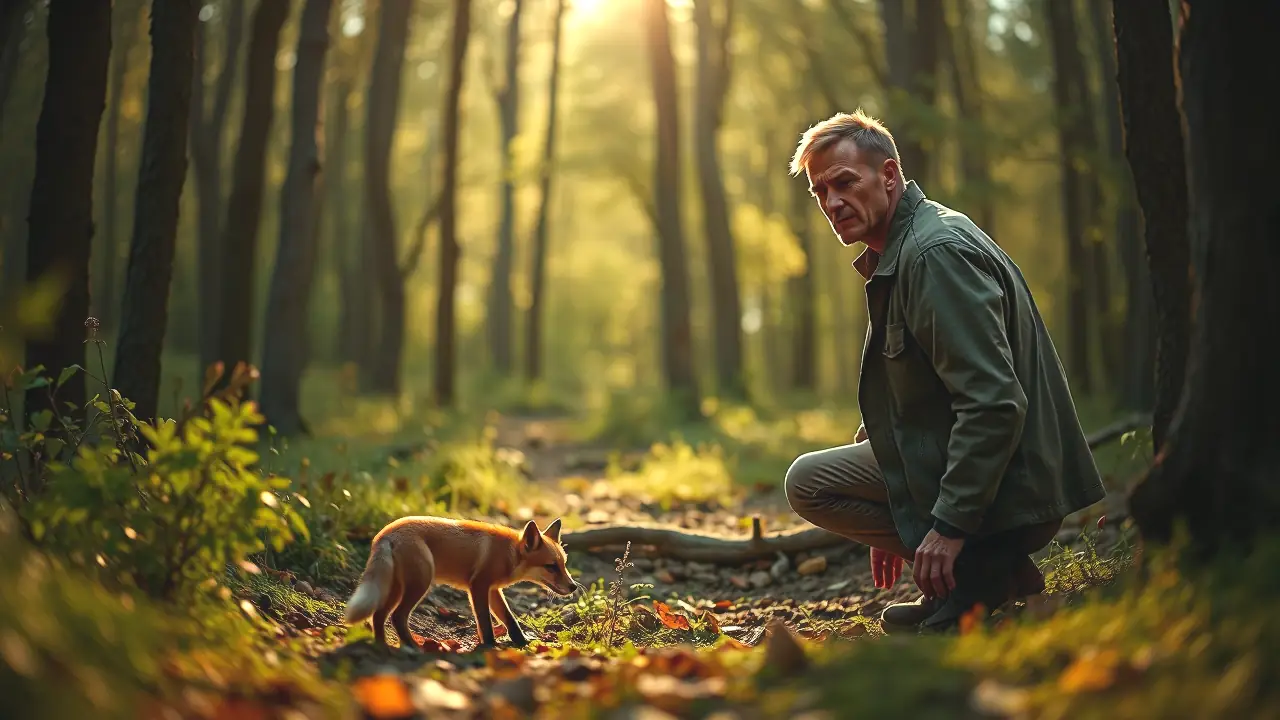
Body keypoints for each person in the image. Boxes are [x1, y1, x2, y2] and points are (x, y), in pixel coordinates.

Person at [782, 110, 1107, 632]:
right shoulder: (906, 248)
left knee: (808, 482)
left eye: (844, 182)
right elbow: (912, 390)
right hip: (998, 476)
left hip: (1017, 489)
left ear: (889, 175)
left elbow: (994, 403)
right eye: (820, 191)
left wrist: (947, 527)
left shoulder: (933, 254)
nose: (832, 202)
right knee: (820, 475)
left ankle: (979, 575)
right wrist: (895, 505)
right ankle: (993, 574)